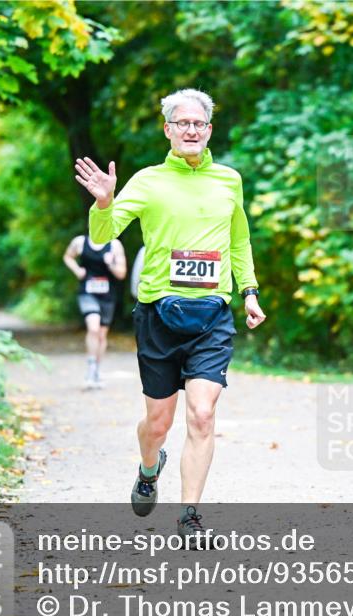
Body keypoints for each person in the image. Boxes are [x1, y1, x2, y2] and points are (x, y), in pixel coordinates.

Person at [73, 88, 266, 540]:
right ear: (168, 130)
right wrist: (103, 202)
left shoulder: (229, 180)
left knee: (201, 414)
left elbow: (239, 241)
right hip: (159, 314)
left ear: (209, 130)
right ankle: (148, 466)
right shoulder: (147, 180)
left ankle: (190, 516)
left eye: (199, 123)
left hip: (213, 314)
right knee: (157, 424)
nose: (192, 130)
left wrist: (250, 292)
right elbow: (104, 234)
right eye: (183, 123)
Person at [63, 234, 127, 388]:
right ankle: (91, 368)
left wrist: (111, 263)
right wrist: (77, 270)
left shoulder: (115, 245)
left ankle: (97, 370)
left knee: (101, 334)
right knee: (93, 327)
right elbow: (67, 256)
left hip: (107, 295)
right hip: (87, 292)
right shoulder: (80, 241)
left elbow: (122, 273)